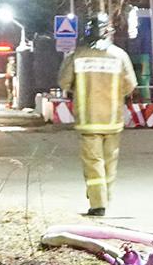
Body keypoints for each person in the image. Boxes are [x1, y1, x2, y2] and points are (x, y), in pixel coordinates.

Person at [57, 16, 138, 217]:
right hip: (112, 118)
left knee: (93, 163)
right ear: (107, 31)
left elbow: (64, 82)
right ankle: (106, 199)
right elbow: (131, 85)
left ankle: (97, 204)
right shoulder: (119, 55)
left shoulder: (77, 55)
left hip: (88, 119)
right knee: (110, 162)